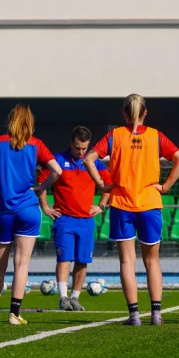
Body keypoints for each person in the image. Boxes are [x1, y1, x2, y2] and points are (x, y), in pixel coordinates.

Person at [85, 94, 179, 327]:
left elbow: (90, 158)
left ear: (124, 114)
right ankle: (156, 314)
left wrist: (102, 185)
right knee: (152, 262)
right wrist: (166, 187)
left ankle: (134, 316)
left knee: (127, 262)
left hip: (121, 204)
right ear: (145, 113)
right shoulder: (156, 136)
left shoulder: (115, 136)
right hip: (150, 203)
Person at [0, 104, 61, 325]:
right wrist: (40, 187)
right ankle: (15, 314)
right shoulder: (36, 144)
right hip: (28, 209)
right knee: (22, 264)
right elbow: (58, 170)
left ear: (11, 121)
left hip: (2, 209)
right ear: (30, 122)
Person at [39, 126, 111, 312]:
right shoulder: (58, 160)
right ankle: (63, 298)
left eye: (84, 148)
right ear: (71, 142)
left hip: (87, 221)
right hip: (64, 219)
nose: (81, 152)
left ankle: (75, 298)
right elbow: (41, 183)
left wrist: (102, 206)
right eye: (78, 147)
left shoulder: (94, 163)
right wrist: (45, 207)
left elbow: (108, 185)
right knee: (64, 259)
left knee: (82, 260)